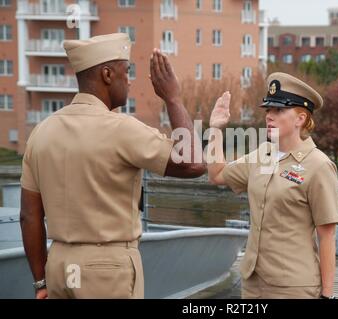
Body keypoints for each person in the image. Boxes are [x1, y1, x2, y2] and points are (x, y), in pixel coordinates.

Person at [19, 33, 206, 299]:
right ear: (107, 75)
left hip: (59, 267)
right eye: (126, 71)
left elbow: (29, 216)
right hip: (106, 270)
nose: (129, 80)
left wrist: (40, 282)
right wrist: (173, 98)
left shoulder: (41, 132)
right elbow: (194, 163)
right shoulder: (121, 129)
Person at [207, 72, 338, 299]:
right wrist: (215, 130)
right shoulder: (262, 155)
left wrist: (327, 295)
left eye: (279, 110)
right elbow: (217, 174)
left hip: (293, 287)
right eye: (268, 110)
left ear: (300, 118)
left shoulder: (318, 166)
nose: (269, 116)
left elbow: (326, 236)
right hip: (253, 283)